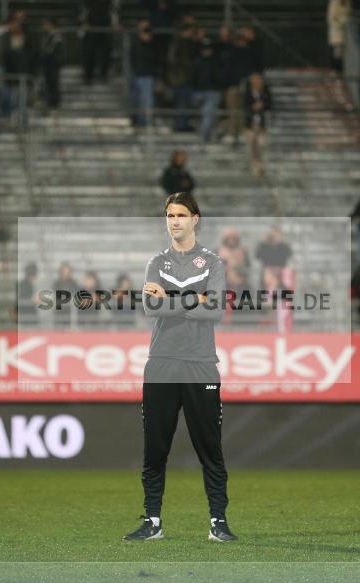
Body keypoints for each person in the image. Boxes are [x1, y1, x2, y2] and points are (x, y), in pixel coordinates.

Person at [124, 191, 235, 543]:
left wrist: (170, 298)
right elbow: (151, 308)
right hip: (161, 366)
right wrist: (195, 297)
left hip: (201, 365)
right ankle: (152, 521)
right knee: (155, 451)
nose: (174, 221)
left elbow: (215, 310)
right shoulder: (156, 263)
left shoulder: (213, 263)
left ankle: (218, 522)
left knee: (210, 450)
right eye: (170, 215)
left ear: (195, 219)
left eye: (181, 215)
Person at [192, 37, 224, 144]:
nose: (207, 51)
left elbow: (220, 77)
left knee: (207, 114)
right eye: (205, 48)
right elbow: (192, 78)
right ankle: (206, 136)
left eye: (209, 48)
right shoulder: (197, 62)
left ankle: (205, 139)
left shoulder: (216, 62)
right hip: (198, 92)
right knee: (205, 115)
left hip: (213, 92)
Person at [244, 73, 272, 176]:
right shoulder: (247, 93)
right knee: (252, 144)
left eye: (258, 80)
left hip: (262, 123)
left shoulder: (266, 93)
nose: (257, 82)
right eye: (254, 80)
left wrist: (262, 105)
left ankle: (261, 165)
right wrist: (253, 107)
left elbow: (270, 105)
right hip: (250, 123)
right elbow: (245, 106)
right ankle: (256, 166)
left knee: (260, 144)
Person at [80, 0, 114, 85]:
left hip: (105, 27)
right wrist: (84, 23)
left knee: (106, 52)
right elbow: (83, 9)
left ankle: (103, 75)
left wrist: (114, 23)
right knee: (89, 53)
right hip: (91, 27)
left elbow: (113, 9)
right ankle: (88, 76)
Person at [130, 20, 156, 128]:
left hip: (147, 76)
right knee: (134, 99)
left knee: (146, 101)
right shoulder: (135, 42)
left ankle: (143, 121)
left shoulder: (152, 46)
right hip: (136, 75)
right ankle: (135, 119)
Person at [40, 18, 63, 110]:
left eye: (46, 24)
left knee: (53, 83)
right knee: (49, 83)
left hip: (53, 63)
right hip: (48, 63)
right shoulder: (47, 35)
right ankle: (50, 101)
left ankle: (55, 102)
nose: (44, 26)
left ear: (51, 25)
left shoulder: (56, 36)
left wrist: (45, 56)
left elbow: (52, 50)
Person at [327, 0, 351, 72]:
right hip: (337, 32)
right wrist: (341, 23)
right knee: (336, 53)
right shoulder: (334, 2)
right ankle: (334, 70)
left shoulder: (348, 2)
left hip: (347, 32)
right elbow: (331, 18)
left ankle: (340, 70)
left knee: (342, 54)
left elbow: (349, 13)